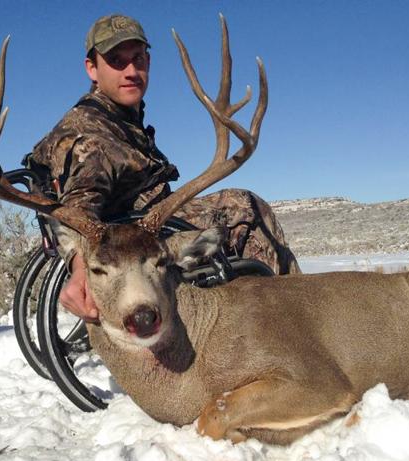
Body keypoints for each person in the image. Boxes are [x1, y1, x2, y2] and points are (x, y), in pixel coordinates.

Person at [22, 14, 299, 322]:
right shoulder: (92, 134)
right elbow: (81, 202)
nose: (131, 71)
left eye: (137, 59)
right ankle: (289, 316)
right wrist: (80, 268)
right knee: (246, 206)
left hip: (142, 229)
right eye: (116, 60)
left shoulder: (119, 118)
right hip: (139, 238)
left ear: (148, 62)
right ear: (92, 68)